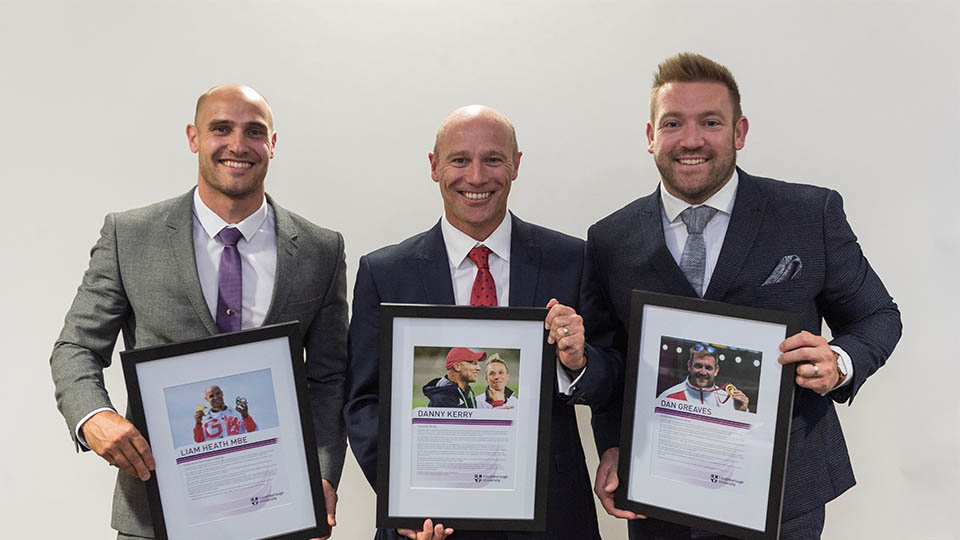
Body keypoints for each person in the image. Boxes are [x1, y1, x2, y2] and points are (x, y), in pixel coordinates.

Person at [582, 52, 902, 539]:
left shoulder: (808, 214)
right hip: (660, 494)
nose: (691, 140)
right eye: (673, 123)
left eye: (710, 122)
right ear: (650, 137)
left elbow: (878, 315)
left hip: (783, 494)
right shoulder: (610, 239)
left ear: (739, 132)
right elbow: (612, 360)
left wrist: (839, 361)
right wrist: (611, 444)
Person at [49, 84, 347, 540]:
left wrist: (322, 476)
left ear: (273, 143)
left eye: (254, 131)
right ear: (193, 137)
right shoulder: (129, 236)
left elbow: (328, 378)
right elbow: (76, 347)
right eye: (220, 129)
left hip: (278, 507)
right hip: (155, 511)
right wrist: (94, 417)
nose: (237, 145)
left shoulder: (320, 250)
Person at [344, 105, 604, 540]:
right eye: (460, 160)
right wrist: (402, 499)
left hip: (551, 514)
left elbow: (611, 376)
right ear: (434, 167)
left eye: (494, 159)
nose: (477, 177)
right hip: (428, 518)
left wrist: (579, 362)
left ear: (516, 165)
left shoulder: (571, 260)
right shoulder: (384, 273)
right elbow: (362, 402)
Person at [657, 345, 748, 412]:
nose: (703, 372)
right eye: (698, 366)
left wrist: (742, 413)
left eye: (708, 368)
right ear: (689, 366)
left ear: (716, 370)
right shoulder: (668, 397)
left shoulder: (731, 402)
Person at [193, 385, 258, 442]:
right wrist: (198, 423)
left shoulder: (237, 412)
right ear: (206, 399)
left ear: (222, 393)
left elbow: (253, 431)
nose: (216, 397)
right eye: (211, 396)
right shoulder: (203, 419)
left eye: (218, 393)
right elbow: (199, 441)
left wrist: (245, 416)